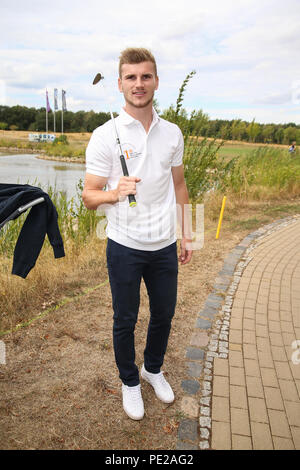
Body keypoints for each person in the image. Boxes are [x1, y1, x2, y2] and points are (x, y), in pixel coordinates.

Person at [82, 47, 192, 420]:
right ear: (120, 84)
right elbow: (88, 197)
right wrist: (115, 193)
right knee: (125, 319)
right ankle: (130, 382)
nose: (139, 84)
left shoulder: (173, 133)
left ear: (156, 81)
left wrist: (189, 233)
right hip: (124, 246)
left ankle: (152, 369)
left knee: (164, 315)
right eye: (131, 77)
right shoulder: (104, 135)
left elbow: (179, 185)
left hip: (164, 245)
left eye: (145, 76)